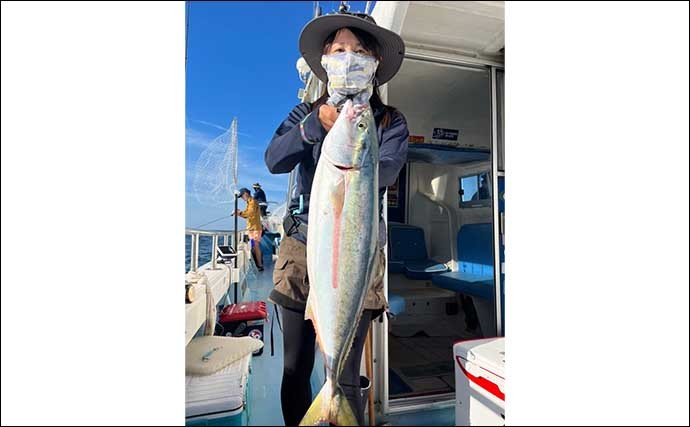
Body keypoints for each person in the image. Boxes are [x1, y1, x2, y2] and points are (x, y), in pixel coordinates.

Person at [264, 10, 408, 426]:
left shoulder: (387, 121)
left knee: (344, 374)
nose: (350, 57)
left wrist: (349, 127)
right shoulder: (304, 114)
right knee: (294, 367)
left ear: (375, 64)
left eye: (360, 51)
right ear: (325, 60)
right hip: (302, 249)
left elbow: (386, 169)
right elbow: (274, 158)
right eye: (340, 49)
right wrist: (315, 125)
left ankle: (341, 410)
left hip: (355, 254)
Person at [234, 187, 264, 271]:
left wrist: (239, 212)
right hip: (252, 228)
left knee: (256, 246)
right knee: (253, 245)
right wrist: (239, 213)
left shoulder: (252, 202)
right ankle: (258, 263)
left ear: (245, 194)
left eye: (242, 196)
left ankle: (260, 265)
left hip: (255, 228)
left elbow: (249, 214)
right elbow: (246, 215)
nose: (242, 198)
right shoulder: (249, 203)